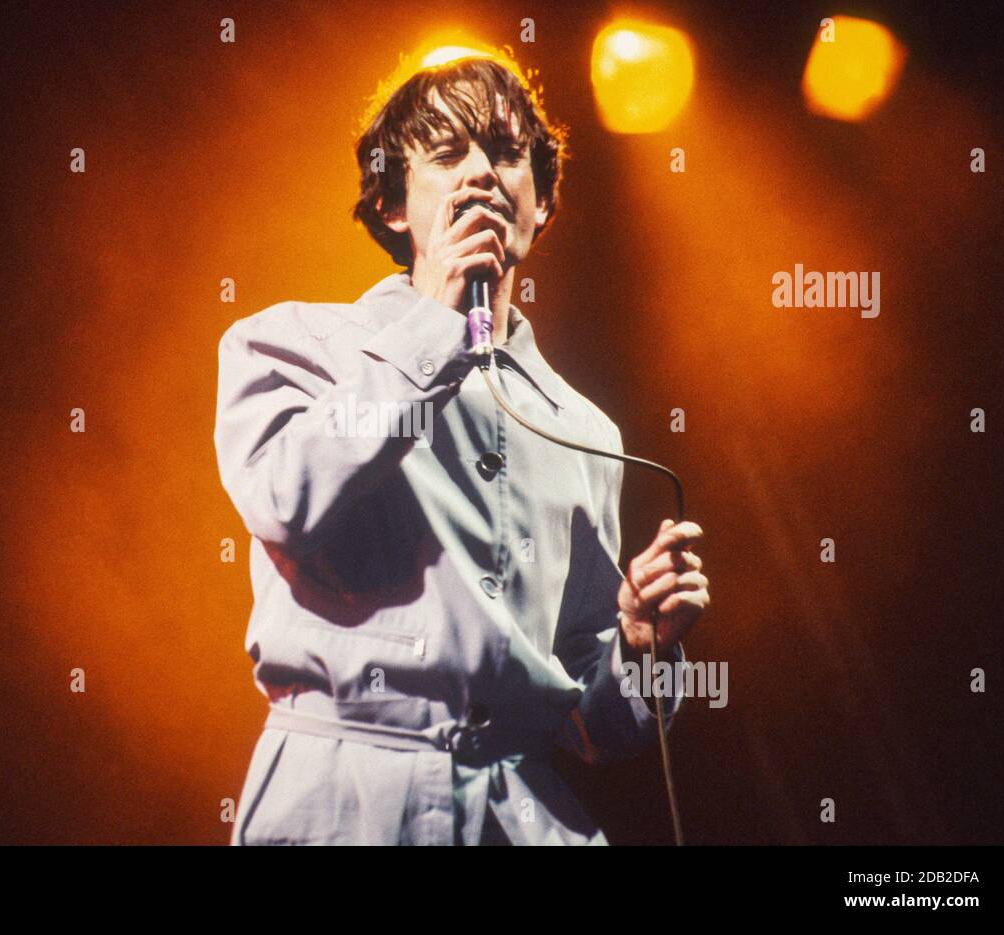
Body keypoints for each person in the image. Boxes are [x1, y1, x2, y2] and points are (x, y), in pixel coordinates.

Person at [214, 54, 710, 845]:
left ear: (542, 204)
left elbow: (594, 725)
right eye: (448, 155)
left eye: (508, 155)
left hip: (517, 815)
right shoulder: (290, 345)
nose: (481, 171)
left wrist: (638, 648)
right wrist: (437, 324)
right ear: (392, 204)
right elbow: (284, 498)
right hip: (343, 801)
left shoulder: (585, 431)